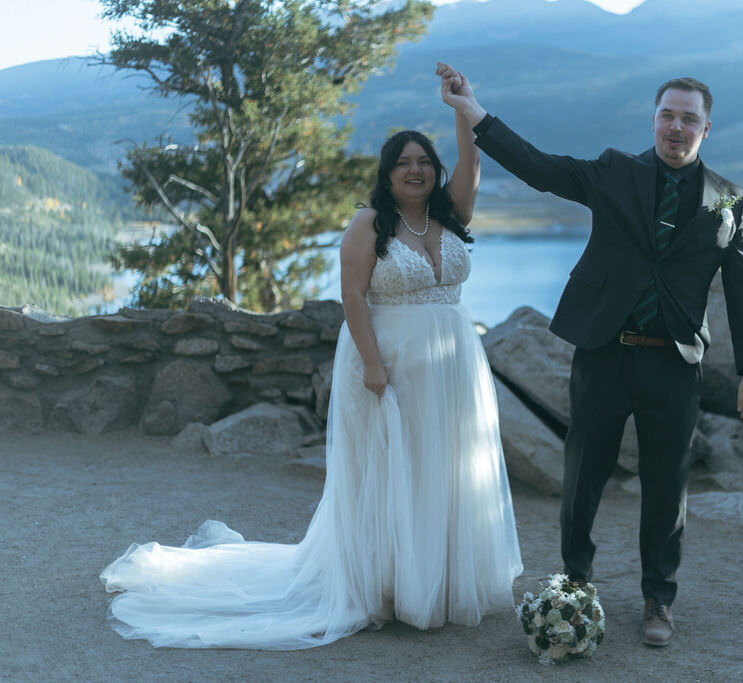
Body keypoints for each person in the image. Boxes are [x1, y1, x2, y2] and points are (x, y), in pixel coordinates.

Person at [99, 66, 522, 650]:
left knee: (444, 470)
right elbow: (353, 298)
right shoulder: (369, 225)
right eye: (404, 162)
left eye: (424, 161)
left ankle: (441, 582)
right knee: (391, 472)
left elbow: (472, 164)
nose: (416, 169)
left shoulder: (451, 214)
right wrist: (373, 367)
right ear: (388, 173)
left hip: (453, 367)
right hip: (388, 362)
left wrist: (463, 106)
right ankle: (387, 587)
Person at [438, 64, 743, 647]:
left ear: (706, 129)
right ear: (654, 119)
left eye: (688, 118)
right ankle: (574, 586)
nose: (676, 126)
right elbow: (540, 170)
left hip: (674, 364)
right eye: (667, 115)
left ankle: (658, 602)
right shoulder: (615, 171)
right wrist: (473, 112)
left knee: (667, 487)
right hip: (604, 352)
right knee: (584, 475)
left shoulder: (731, 202)